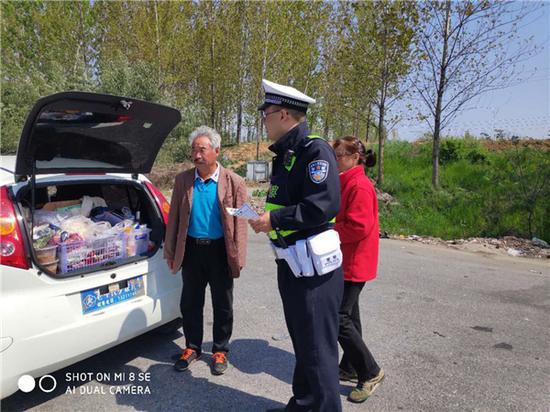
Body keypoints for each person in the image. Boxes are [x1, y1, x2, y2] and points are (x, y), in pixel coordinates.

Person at [249, 79, 343, 412]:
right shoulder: (288, 154)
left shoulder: (314, 151)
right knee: (305, 345)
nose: (264, 120)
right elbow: (289, 203)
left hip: (313, 271)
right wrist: (267, 218)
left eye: (267, 114)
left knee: (318, 351)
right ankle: (303, 405)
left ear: (284, 114)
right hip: (292, 264)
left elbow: (322, 205)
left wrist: (274, 220)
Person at [164, 125, 248, 376]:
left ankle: (220, 349)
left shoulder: (234, 181)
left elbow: (241, 222)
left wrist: (239, 257)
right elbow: (174, 218)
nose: (197, 155)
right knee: (190, 302)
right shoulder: (183, 180)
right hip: (191, 249)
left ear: (216, 151)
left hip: (220, 251)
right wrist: (170, 252)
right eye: (194, 150)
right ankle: (192, 347)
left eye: (202, 149)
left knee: (223, 302)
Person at [332, 136, 384, 403]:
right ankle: (351, 365)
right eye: (334, 155)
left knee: (338, 317)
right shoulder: (346, 181)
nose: (335, 160)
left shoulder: (359, 185)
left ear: (355, 158)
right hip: (346, 259)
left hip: (354, 261)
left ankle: (370, 371)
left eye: (339, 155)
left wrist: (328, 230)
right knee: (350, 315)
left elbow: (358, 226)